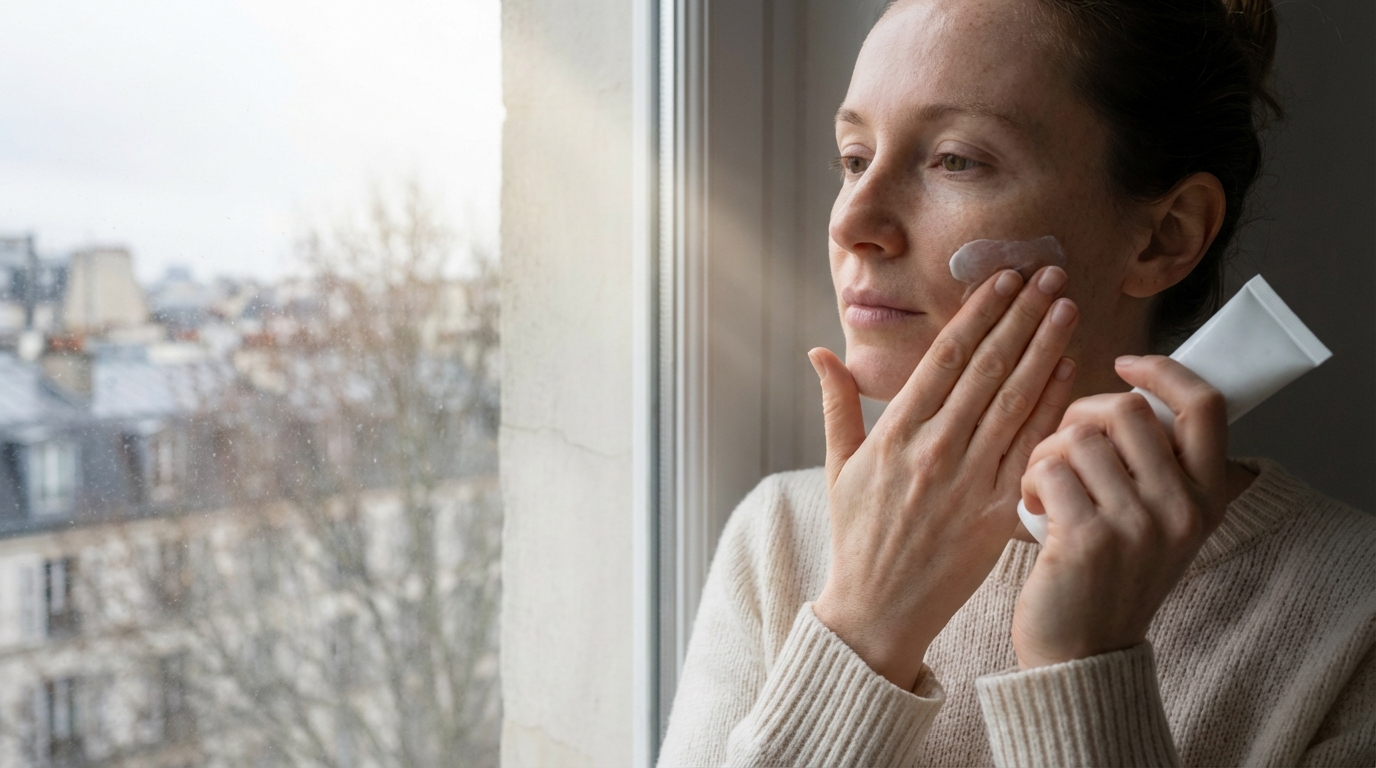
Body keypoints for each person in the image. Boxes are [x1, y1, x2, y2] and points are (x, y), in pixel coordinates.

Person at [656, 0, 1376, 765]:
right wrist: (862, 627)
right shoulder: (783, 538)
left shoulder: (1353, 612)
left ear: (1165, 236)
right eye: (855, 157)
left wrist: (1085, 673)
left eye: (956, 159)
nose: (852, 221)